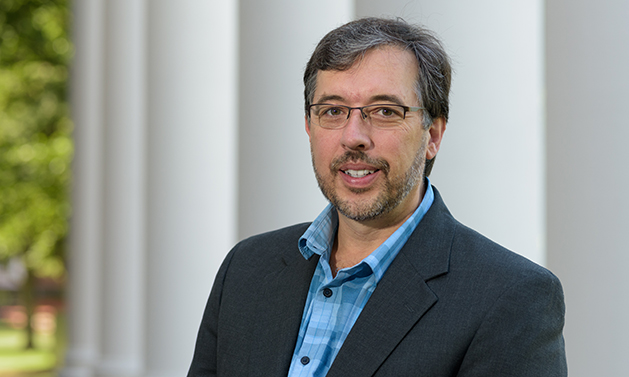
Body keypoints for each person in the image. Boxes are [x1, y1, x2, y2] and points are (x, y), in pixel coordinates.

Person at [188, 17, 567, 377]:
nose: (354, 136)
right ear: (308, 125)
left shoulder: (511, 298)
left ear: (432, 135)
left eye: (385, 111)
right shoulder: (247, 268)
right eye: (332, 110)